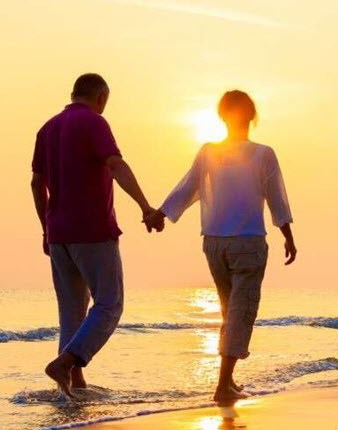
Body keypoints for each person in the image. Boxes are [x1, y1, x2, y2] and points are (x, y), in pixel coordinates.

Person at [145, 90, 296, 406]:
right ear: (252, 116)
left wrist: (161, 213)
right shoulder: (262, 153)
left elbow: (188, 187)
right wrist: (287, 234)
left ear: (221, 116)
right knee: (242, 311)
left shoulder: (208, 152)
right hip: (248, 242)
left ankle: (227, 380)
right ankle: (223, 384)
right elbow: (276, 196)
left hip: (214, 243)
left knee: (231, 310)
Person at [30, 73, 164, 399]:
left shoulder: (47, 128)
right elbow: (115, 164)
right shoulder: (94, 123)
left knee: (72, 312)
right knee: (109, 304)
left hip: (59, 234)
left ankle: (74, 386)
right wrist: (145, 206)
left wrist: (46, 228)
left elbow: (36, 183)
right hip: (92, 230)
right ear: (101, 97)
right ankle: (66, 363)